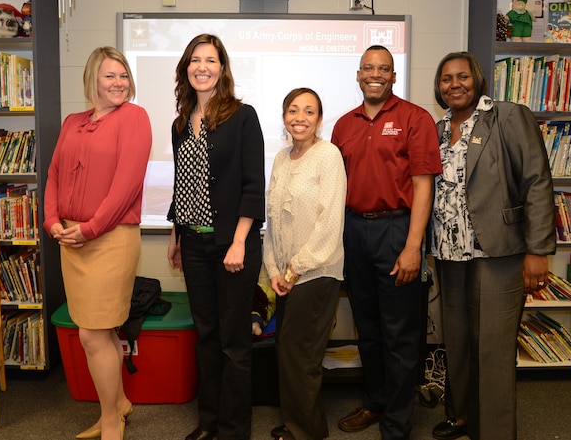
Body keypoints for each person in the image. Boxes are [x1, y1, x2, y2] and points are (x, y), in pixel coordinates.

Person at [428, 51, 555, 440]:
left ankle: (495, 431)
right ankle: (462, 415)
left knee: (493, 350)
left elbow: (536, 180)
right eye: (447, 78)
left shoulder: (508, 116)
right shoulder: (437, 128)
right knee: (460, 341)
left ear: (477, 79)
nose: (455, 84)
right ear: (439, 87)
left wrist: (537, 250)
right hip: (450, 255)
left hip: (497, 251)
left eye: (462, 76)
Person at [330, 45, 442, 440]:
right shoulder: (343, 125)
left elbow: (423, 184)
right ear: (358, 75)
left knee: (400, 334)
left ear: (394, 76)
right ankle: (375, 402)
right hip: (354, 231)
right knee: (369, 329)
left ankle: (397, 422)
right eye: (368, 68)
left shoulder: (415, 118)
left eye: (384, 69)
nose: (375, 74)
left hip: (397, 230)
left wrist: (414, 246)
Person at [43, 46, 152, 440]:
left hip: (110, 239)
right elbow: (54, 174)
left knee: (92, 333)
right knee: (99, 333)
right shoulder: (73, 121)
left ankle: (111, 419)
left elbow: (126, 186)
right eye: (110, 76)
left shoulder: (135, 118)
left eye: (123, 75)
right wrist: (52, 220)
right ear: (93, 79)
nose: (119, 83)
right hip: (70, 240)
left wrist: (88, 229)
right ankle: (120, 404)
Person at [166, 33, 266, 440]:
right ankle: (208, 422)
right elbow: (182, 184)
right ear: (186, 68)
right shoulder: (179, 124)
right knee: (205, 336)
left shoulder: (243, 116)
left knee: (234, 341)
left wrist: (240, 240)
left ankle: (234, 430)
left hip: (233, 244)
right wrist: (175, 234)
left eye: (210, 60)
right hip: (192, 242)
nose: (201, 67)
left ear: (221, 68)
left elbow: (252, 185)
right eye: (195, 60)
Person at [263, 88, 347, 440]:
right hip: (286, 275)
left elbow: (329, 224)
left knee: (302, 355)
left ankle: (304, 432)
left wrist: (294, 269)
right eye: (293, 110)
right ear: (284, 117)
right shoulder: (282, 158)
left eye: (309, 111)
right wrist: (273, 271)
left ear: (319, 119)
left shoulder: (328, 156)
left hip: (316, 273)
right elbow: (271, 219)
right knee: (290, 352)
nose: (300, 117)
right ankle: (298, 425)